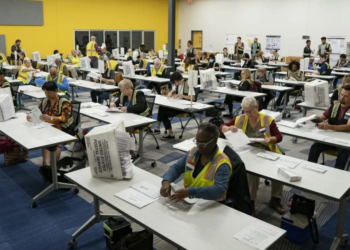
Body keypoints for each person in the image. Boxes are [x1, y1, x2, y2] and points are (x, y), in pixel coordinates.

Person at [220, 96, 284, 215]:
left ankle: (275, 198)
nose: (247, 113)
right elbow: (221, 127)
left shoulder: (267, 120)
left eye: (250, 110)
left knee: (279, 170)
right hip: (247, 150)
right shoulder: (241, 118)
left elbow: (279, 137)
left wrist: (270, 139)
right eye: (245, 111)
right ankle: (251, 201)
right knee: (251, 173)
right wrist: (229, 127)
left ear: (257, 107)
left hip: (266, 150)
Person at [160, 123, 232, 202]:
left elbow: (219, 189)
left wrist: (190, 192)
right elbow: (176, 168)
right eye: (197, 141)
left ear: (215, 141)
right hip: (190, 201)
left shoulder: (222, 162)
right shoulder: (192, 153)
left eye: (203, 143)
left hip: (211, 204)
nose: (199, 146)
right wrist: (166, 181)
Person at [26, 81, 74, 182]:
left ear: (56, 91)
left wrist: (50, 118)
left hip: (63, 127)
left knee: (54, 142)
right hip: (48, 126)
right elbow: (38, 111)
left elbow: (64, 119)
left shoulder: (64, 102)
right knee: (45, 139)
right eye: (45, 92)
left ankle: (52, 165)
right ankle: (47, 166)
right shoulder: (44, 101)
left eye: (49, 92)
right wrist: (31, 116)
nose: (47, 94)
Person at [307, 85, 350, 170]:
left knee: (344, 152)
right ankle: (309, 169)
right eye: (341, 94)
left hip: (345, 140)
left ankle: (336, 175)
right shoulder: (335, 105)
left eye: (345, 96)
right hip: (331, 138)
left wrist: (329, 127)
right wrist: (312, 117)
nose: (342, 97)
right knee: (315, 146)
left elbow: (348, 126)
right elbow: (320, 118)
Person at [154, 72, 194, 138]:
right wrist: (170, 92)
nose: (175, 84)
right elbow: (173, 89)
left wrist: (179, 95)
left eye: (176, 82)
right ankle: (168, 131)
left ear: (179, 80)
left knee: (163, 112)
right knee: (162, 107)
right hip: (176, 105)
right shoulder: (176, 84)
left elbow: (192, 97)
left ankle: (165, 130)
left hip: (184, 107)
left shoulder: (188, 83)